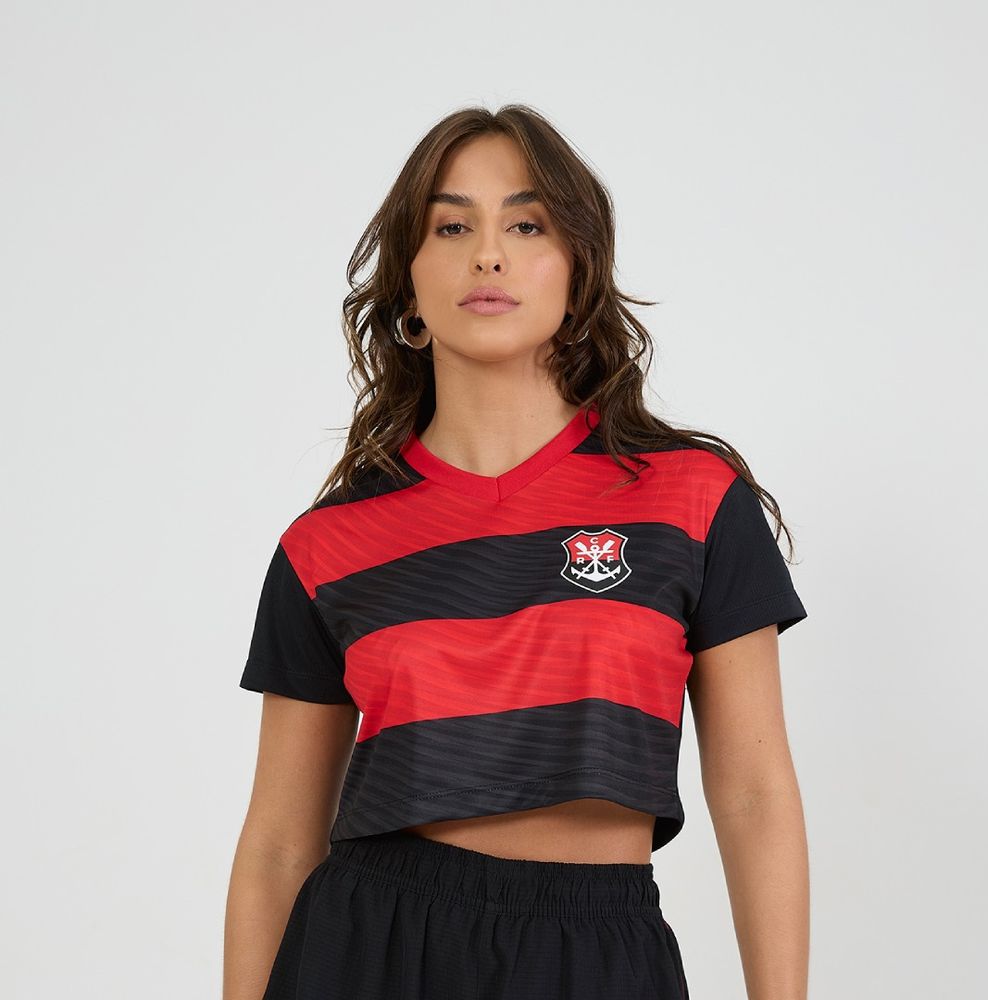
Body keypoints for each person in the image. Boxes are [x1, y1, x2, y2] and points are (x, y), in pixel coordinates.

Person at [223, 104, 810, 1000]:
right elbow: (276, 844)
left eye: (527, 225)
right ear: (408, 287)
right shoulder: (328, 543)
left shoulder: (692, 500)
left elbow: (756, 797)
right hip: (374, 948)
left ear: (578, 272)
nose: (488, 255)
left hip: (602, 956)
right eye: (452, 227)